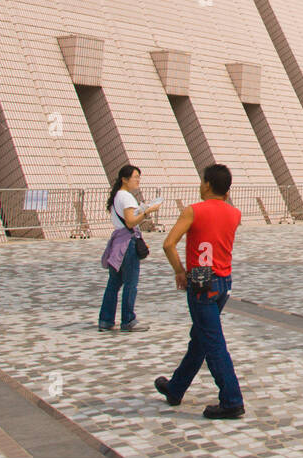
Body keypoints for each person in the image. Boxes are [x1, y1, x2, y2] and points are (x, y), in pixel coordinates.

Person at [155, 164, 245, 419]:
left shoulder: (193, 211)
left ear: (206, 185)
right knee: (201, 338)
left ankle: (232, 400)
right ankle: (175, 388)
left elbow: (168, 244)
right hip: (224, 282)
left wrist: (180, 271)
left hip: (201, 280)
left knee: (213, 342)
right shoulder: (234, 213)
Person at [98, 164, 161, 333]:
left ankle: (105, 320)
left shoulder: (118, 196)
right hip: (128, 243)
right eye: (135, 177)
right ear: (125, 179)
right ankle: (128, 320)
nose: (138, 180)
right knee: (130, 283)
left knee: (114, 283)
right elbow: (130, 222)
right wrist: (148, 212)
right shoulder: (126, 197)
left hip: (118, 243)